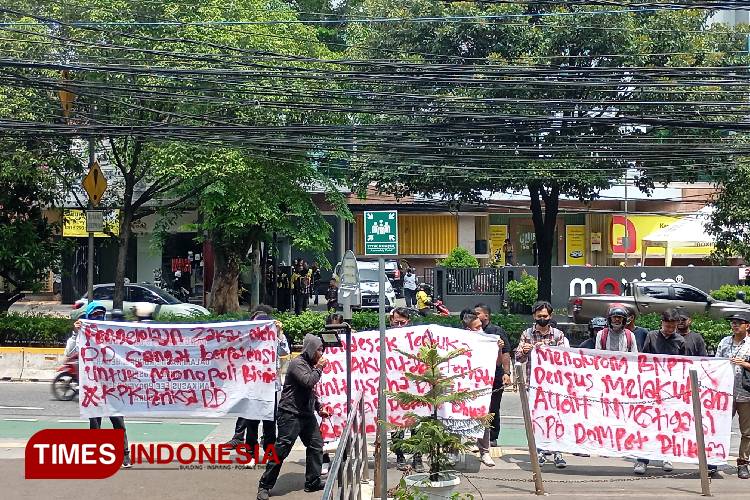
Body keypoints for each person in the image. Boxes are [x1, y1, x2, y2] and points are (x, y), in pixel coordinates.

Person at [257, 334, 330, 500]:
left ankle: (312, 481)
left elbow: (310, 392)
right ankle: (264, 485)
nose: (321, 352)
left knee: (316, 445)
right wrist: (319, 367)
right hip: (290, 413)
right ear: (311, 349)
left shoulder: (310, 364)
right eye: (318, 349)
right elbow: (308, 382)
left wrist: (318, 408)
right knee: (281, 450)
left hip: (306, 414)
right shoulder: (298, 363)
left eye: (321, 349)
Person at [225, 305, 289, 470]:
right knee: (252, 424)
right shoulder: (248, 339)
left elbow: (284, 352)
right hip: (251, 387)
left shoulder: (274, 337)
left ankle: (269, 455)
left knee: (270, 424)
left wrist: (279, 334)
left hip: (271, 387)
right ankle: (251, 456)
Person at [516, 301, 569, 468]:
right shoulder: (527, 334)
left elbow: (563, 357)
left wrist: (545, 348)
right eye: (539, 316)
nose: (542, 319)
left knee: (556, 418)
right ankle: (539, 451)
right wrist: (524, 350)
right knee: (537, 419)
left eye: (545, 316)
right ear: (534, 316)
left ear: (550, 316)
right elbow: (518, 357)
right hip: (534, 384)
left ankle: (557, 453)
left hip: (554, 385)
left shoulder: (558, 335)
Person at [634, 308, 685, 475]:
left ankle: (667, 456)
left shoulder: (680, 341)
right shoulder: (651, 336)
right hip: (651, 386)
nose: (670, 329)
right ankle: (642, 460)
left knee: (668, 422)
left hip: (671, 388)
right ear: (661, 323)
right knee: (646, 422)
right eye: (667, 326)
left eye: (673, 327)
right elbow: (643, 359)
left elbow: (683, 364)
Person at [715, 311, 750, 479]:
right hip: (724, 394)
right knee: (718, 428)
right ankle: (713, 461)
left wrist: (745, 364)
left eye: (739, 322)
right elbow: (714, 364)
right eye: (733, 322)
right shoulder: (724, 342)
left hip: (746, 395)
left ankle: (743, 463)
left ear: (747, 325)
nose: (735, 325)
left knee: (747, 432)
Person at [388, 308, 423, 471]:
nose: (400, 325)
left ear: (408, 322)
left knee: (416, 425)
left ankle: (418, 457)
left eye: (403, 322)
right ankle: (399, 456)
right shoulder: (385, 337)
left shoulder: (416, 338)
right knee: (397, 425)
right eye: (397, 322)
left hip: (415, 388)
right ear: (391, 321)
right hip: (394, 389)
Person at [474, 304, 511, 453]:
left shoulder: (496, 332)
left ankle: (492, 437)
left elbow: (506, 353)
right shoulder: (471, 332)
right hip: (477, 376)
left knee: (493, 406)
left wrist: (506, 373)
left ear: (486, 316)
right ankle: (476, 436)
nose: (475, 316)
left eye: (478, 314)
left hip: (494, 375)